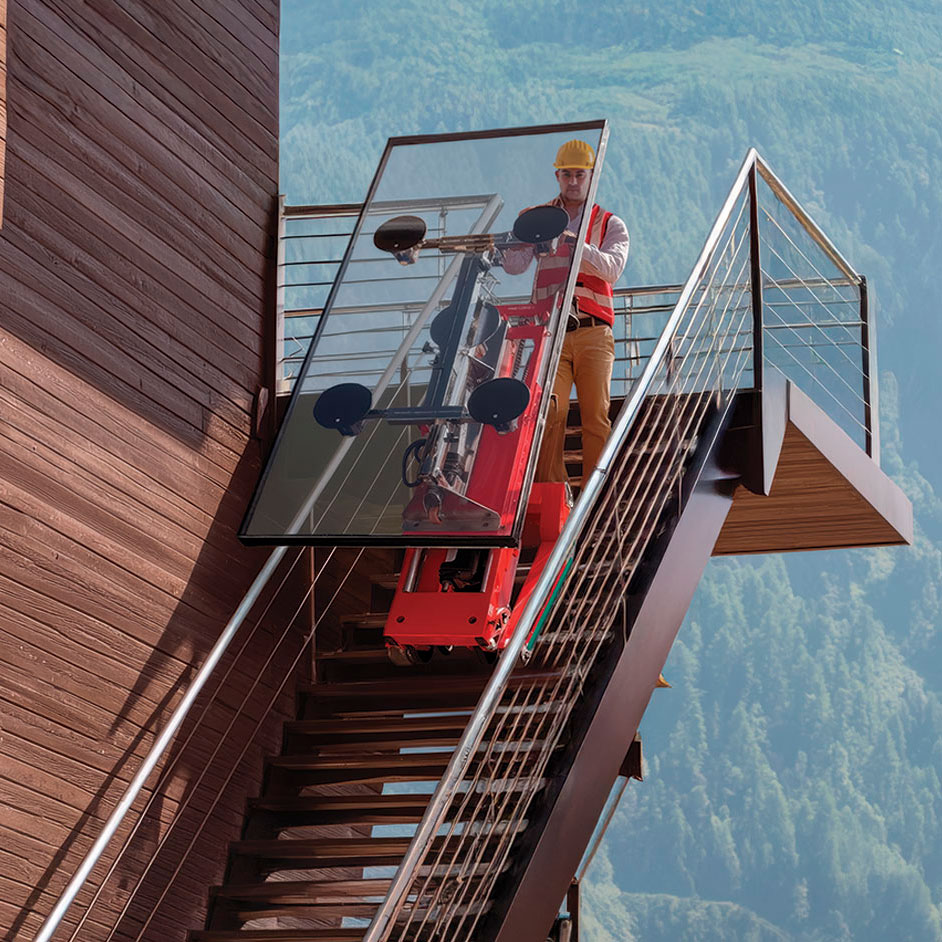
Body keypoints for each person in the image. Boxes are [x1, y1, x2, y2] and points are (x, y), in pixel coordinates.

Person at [503, 139, 630, 484]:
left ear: (591, 176)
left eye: (579, 174)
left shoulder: (609, 223)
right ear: (557, 176)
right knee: (549, 413)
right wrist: (522, 238)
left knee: (595, 417)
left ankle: (594, 494)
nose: (573, 181)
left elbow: (612, 268)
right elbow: (513, 266)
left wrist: (576, 243)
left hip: (593, 330)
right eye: (567, 175)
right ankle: (553, 495)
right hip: (552, 330)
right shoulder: (535, 218)